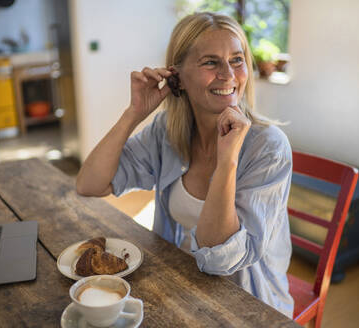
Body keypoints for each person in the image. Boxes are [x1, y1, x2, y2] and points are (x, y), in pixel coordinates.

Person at [76, 12, 294, 318]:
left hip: (248, 303)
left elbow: (220, 261)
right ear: (177, 76)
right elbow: (89, 184)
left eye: (237, 59)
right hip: (181, 283)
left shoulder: (268, 147)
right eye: (210, 62)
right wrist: (134, 113)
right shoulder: (167, 131)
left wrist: (228, 159)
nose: (228, 75)